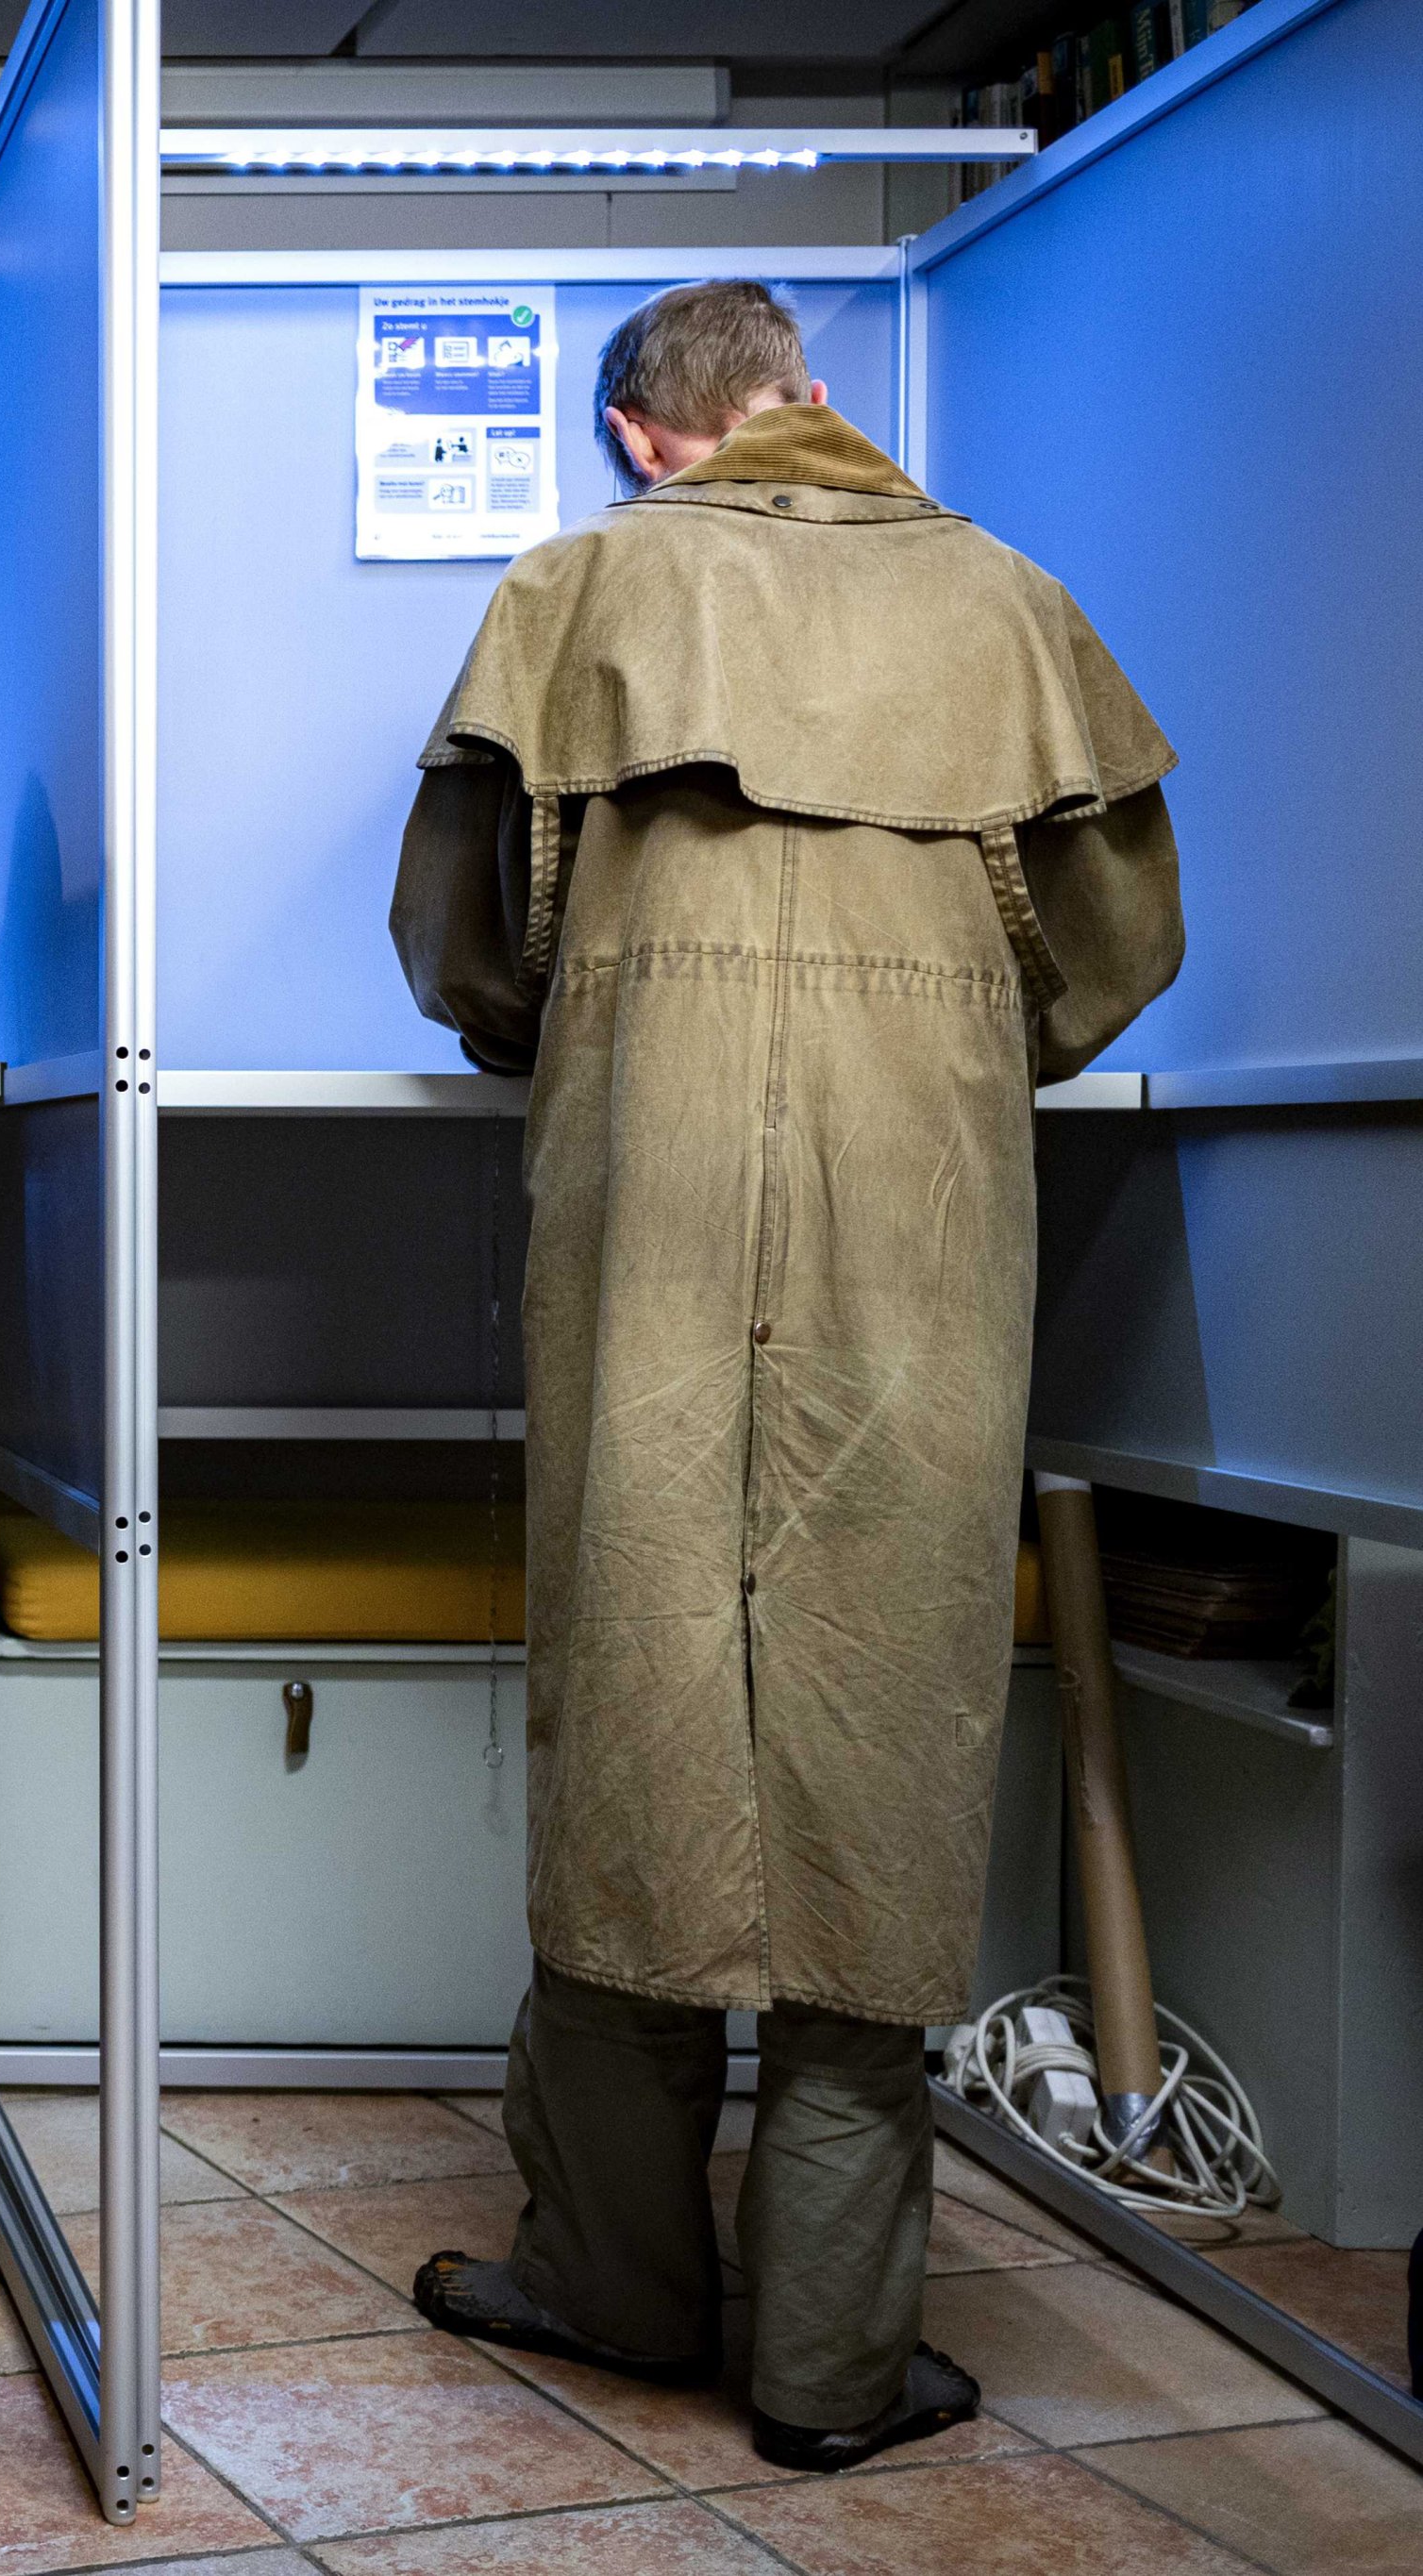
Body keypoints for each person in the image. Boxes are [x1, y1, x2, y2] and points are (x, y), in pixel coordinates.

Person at [388, 281, 1184, 2470]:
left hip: (637, 1218)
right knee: (875, 1731)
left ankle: (613, 2283)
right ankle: (832, 2370)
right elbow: (1114, 951)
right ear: (804, 403)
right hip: (919, 1222)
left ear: (647, 443)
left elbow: (463, 947)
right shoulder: (1010, 605)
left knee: (634, 1705)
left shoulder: (575, 591)